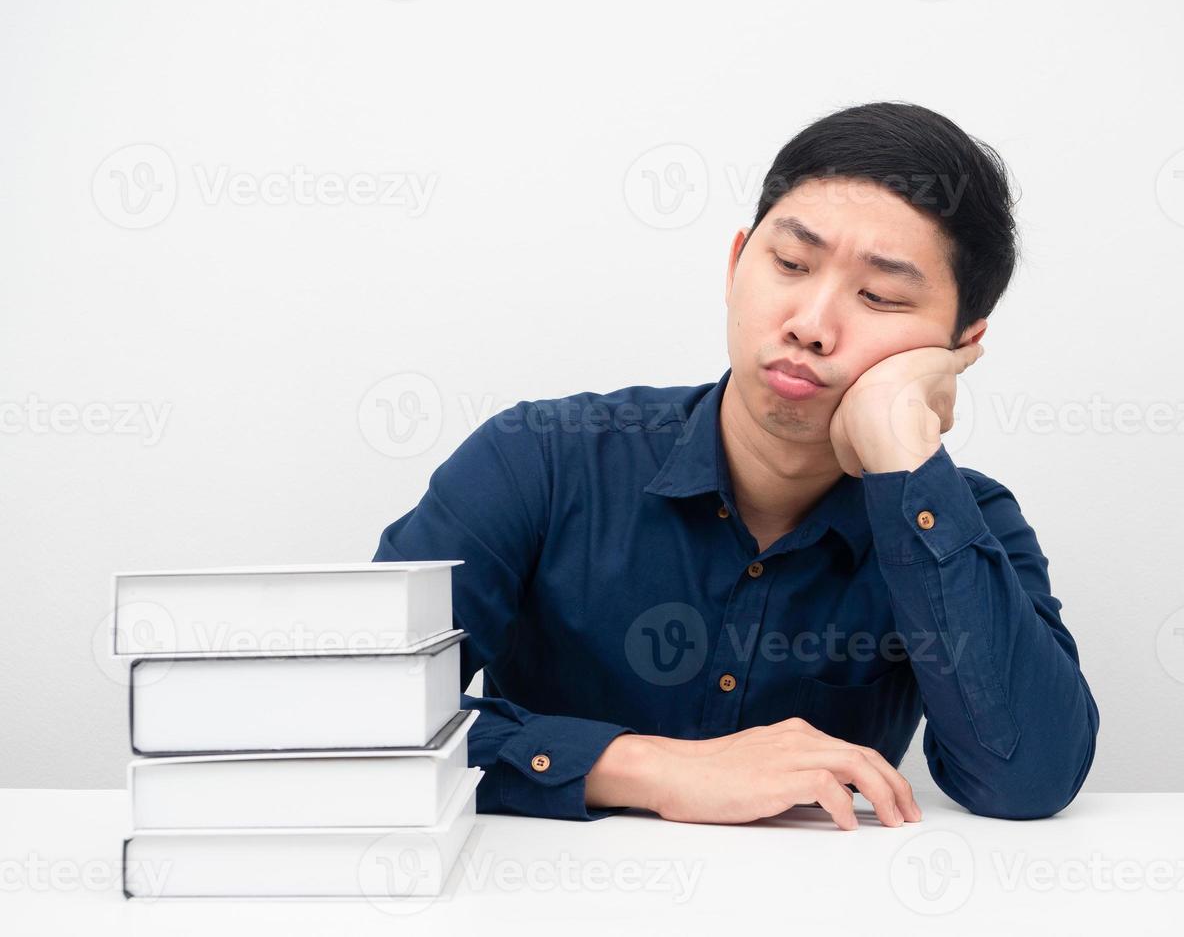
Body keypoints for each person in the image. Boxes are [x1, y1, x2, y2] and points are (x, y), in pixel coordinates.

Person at [373, 101, 1099, 830]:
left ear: (958, 343)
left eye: (879, 296)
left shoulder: (958, 525)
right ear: (735, 263)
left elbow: (1027, 779)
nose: (810, 326)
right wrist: (646, 768)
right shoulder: (537, 458)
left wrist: (902, 451)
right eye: (789, 264)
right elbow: (359, 713)